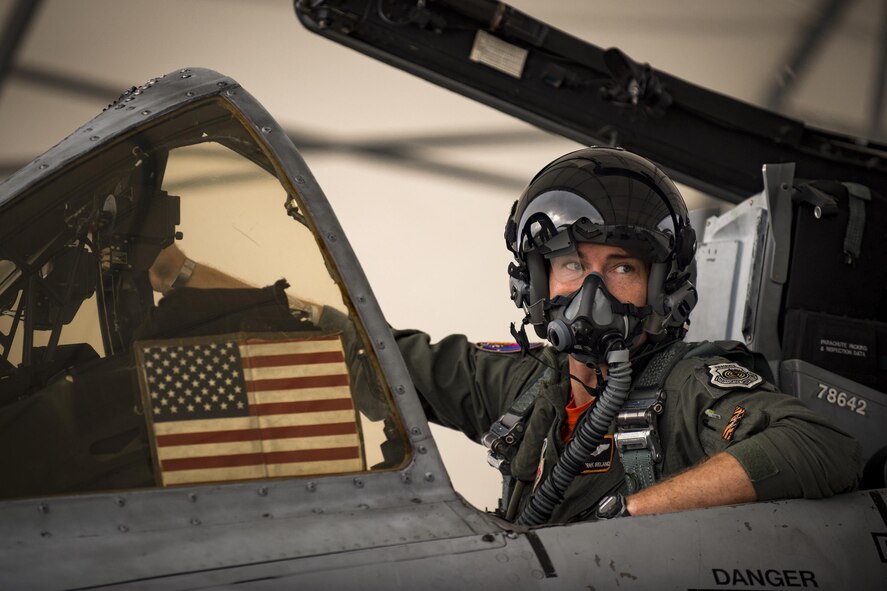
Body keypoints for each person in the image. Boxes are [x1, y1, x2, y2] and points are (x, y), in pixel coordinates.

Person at [151, 146, 862, 524]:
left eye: (619, 265)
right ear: (535, 278)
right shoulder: (523, 377)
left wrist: (636, 512)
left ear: (661, 283)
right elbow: (370, 352)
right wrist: (183, 275)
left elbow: (819, 444)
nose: (588, 290)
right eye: (566, 265)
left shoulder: (688, 380)